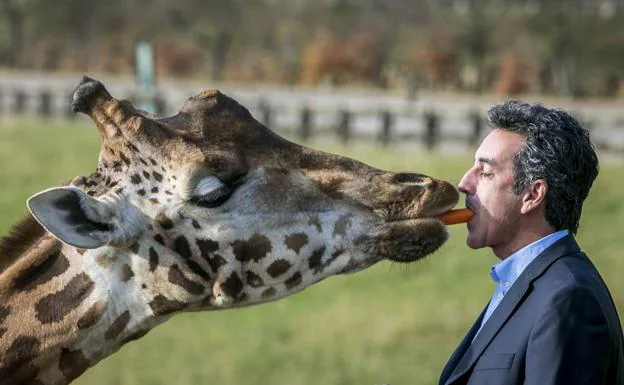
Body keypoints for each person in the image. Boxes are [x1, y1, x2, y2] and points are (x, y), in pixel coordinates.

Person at [438, 101, 624, 385]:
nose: (464, 183)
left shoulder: (569, 301)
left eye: (485, 172)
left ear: (532, 195)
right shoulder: (527, 283)